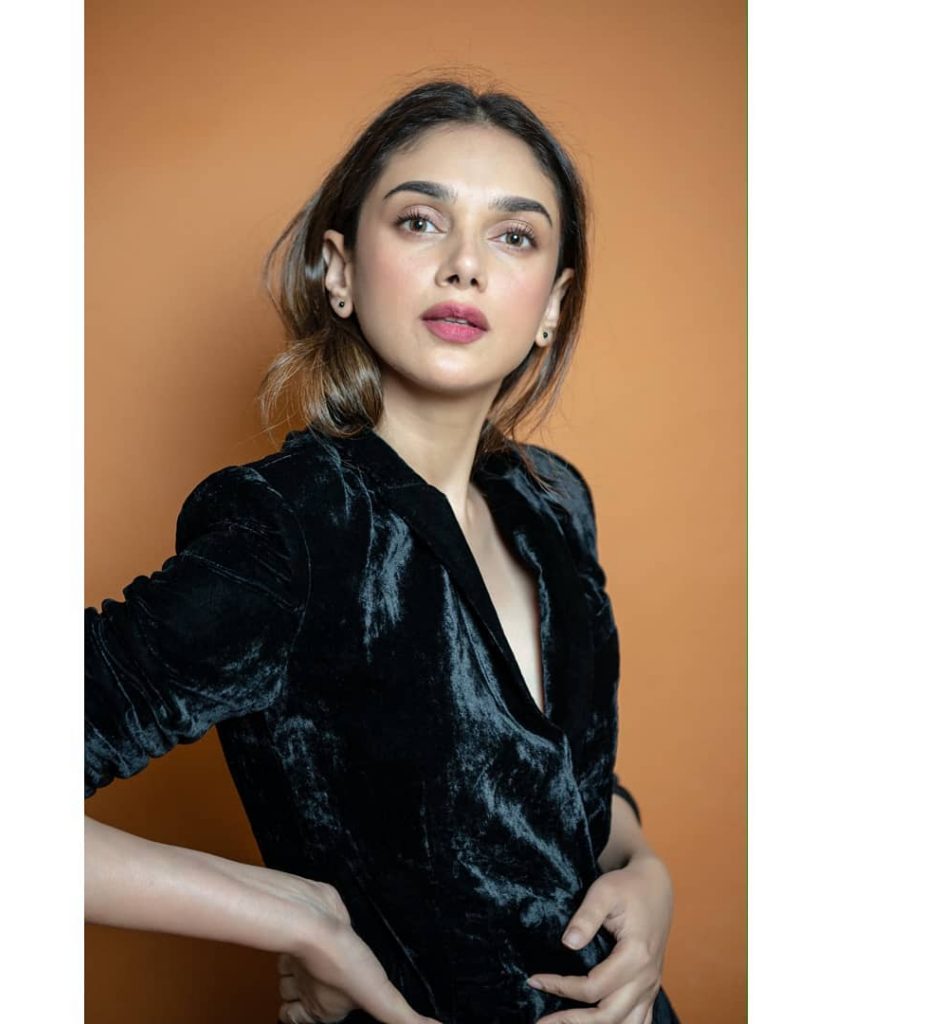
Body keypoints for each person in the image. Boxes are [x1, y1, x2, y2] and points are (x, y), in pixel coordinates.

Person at [85, 79, 681, 1024]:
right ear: (340, 271)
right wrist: (298, 918)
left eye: (514, 236)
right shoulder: (297, 525)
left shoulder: (552, 502)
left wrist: (646, 871)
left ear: (553, 305)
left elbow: (548, 783)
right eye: (419, 222)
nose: (464, 266)